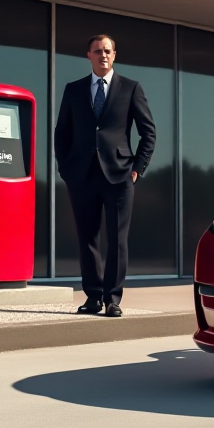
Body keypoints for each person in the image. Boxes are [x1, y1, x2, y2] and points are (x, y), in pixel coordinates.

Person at [55, 34, 156, 317]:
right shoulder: (73, 90)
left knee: (117, 238)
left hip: (120, 175)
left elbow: (148, 131)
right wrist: (65, 167)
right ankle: (93, 297)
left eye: (108, 51)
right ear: (88, 55)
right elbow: (62, 132)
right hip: (81, 175)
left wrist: (138, 168)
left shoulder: (131, 88)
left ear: (115, 55)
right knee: (87, 237)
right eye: (98, 51)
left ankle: (113, 299)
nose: (103, 55)